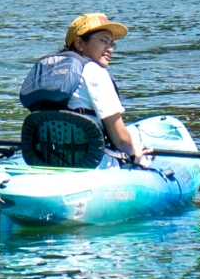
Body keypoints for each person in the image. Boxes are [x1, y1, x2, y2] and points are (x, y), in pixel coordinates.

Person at [18, 12, 152, 167]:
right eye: (104, 41)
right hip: (91, 161)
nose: (110, 49)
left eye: (111, 44)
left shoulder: (45, 71)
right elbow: (120, 139)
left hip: (46, 158)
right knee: (144, 157)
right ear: (80, 44)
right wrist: (134, 153)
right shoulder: (94, 71)